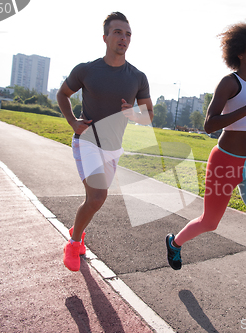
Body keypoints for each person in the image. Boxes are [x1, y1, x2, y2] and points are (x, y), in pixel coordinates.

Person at [165, 19, 246, 329]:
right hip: (225, 161)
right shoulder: (230, 83)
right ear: (240, 52)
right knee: (210, 222)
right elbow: (209, 124)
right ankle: (175, 242)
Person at [57, 12, 153, 272]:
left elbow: (149, 116)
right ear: (105, 37)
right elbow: (62, 94)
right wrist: (72, 121)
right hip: (87, 140)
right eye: (118, 32)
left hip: (113, 148)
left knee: (93, 200)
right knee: (98, 197)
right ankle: (74, 243)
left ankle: (78, 230)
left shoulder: (137, 77)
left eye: (128, 34)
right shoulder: (87, 70)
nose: (124, 38)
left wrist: (132, 113)